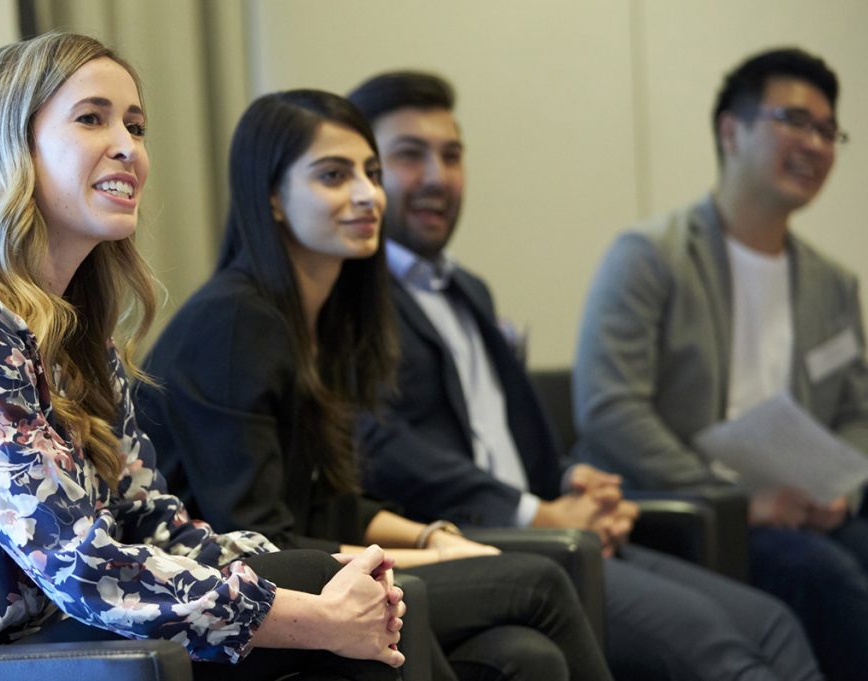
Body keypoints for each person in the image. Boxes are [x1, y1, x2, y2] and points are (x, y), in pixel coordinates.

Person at [0, 32, 408, 681]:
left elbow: (152, 525)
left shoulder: (78, 331)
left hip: (48, 632)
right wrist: (319, 616)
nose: (128, 148)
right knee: (323, 617)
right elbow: (79, 564)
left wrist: (343, 569)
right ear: (10, 144)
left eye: (135, 126)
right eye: (92, 118)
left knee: (397, 607)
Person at [349, 70, 824, 681]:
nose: (438, 177)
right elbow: (383, 448)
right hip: (475, 544)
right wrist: (533, 514)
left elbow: (507, 438)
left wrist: (576, 483)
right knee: (719, 651)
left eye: (452, 154)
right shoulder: (356, 302)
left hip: (549, 528)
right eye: (411, 156)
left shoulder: (467, 289)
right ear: (371, 174)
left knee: (774, 624)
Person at [136, 88, 613, 681]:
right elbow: (260, 533)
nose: (368, 194)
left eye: (372, 172)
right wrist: (429, 552)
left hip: (302, 566)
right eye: (334, 175)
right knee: (539, 578)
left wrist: (435, 536)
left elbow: (328, 499)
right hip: (230, 604)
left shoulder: (326, 318)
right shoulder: (234, 322)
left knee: (525, 654)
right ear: (273, 198)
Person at [573, 47, 868, 680]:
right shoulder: (650, 256)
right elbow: (610, 408)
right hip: (686, 513)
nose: (816, 144)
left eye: (828, 130)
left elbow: (856, 415)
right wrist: (739, 499)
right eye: (795, 120)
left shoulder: (833, 284)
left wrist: (841, 491)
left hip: (803, 512)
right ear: (730, 130)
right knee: (825, 577)